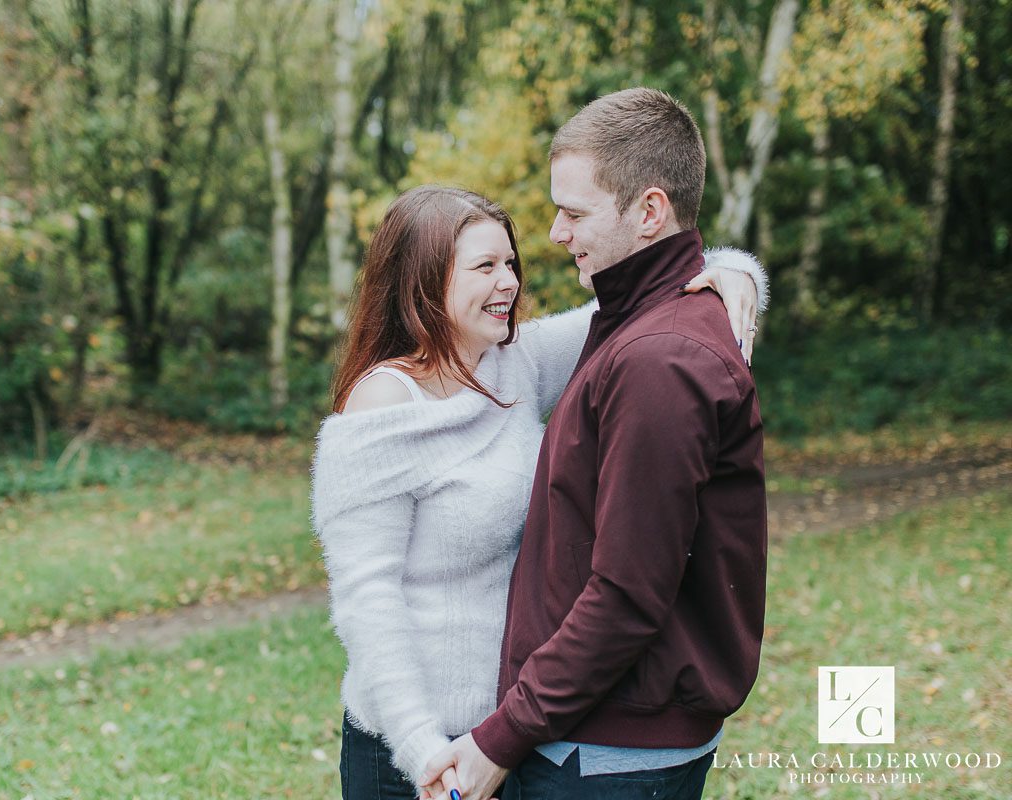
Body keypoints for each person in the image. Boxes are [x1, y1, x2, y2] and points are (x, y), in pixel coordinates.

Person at [311, 183, 766, 800]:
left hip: (505, 738)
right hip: (411, 752)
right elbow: (368, 600)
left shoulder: (510, 361)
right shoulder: (385, 402)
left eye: (510, 264)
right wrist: (424, 754)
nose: (509, 283)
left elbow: (649, 312)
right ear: (422, 282)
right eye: (484, 267)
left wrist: (732, 275)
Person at [418, 89, 768, 800]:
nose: (553, 232)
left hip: (606, 754)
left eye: (574, 213)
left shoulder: (659, 359)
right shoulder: (633, 321)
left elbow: (627, 595)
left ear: (649, 212)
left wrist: (501, 737)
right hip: (594, 734)